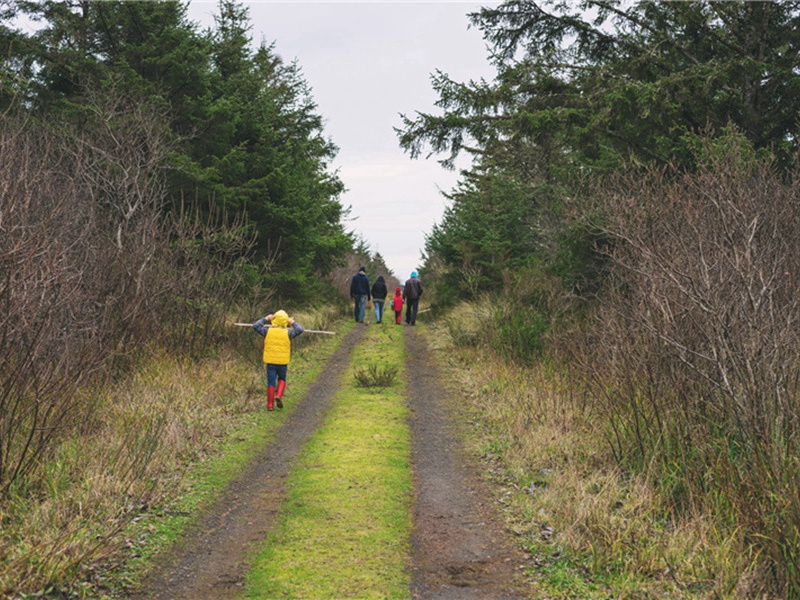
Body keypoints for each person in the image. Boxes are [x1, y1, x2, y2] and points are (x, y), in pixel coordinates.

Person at [252, 310, 304, 411]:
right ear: (285, 321)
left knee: (270, 382)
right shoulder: (288, 333)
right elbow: (300, 330)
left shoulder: (267, 331)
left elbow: (255, 326)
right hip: (282, 361)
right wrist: (292, 322)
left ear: (274, 319)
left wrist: (266, 319)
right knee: (282, 379)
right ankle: (279, 395)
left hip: (270, 361)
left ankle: (270, 405)